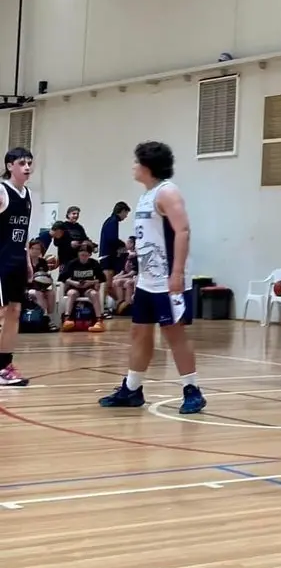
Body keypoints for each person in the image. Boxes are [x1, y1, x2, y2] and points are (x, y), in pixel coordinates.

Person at [98, 142, 205, 414]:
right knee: (139, 332)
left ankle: (192, 390)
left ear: (147, 166)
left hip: (168, 280)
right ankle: (132, 389)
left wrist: (177, 273)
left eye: (136, 162)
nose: (133, 166)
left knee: (174, 334)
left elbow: (183, 232)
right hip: (147, 280)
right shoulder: (146, 195)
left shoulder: (168, 192)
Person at [0, 148, 34, 387]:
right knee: (2, 313)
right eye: (22, 163)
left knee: (14, 313)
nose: (27, 167)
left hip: (17, 261)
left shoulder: (28, 194)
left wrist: (29, 262)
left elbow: (23, 234)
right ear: (10, 166)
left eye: (30, 163)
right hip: (1, 261)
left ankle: (4, 365)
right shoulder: (2, 191)